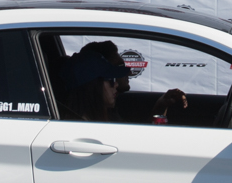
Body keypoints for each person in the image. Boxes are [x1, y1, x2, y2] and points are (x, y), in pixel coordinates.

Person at [53, 41, 186, 124]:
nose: (116, 84)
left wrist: (160, 106)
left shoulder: (100, 117)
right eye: (111, 80)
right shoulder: (82, 126)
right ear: (93, 86)